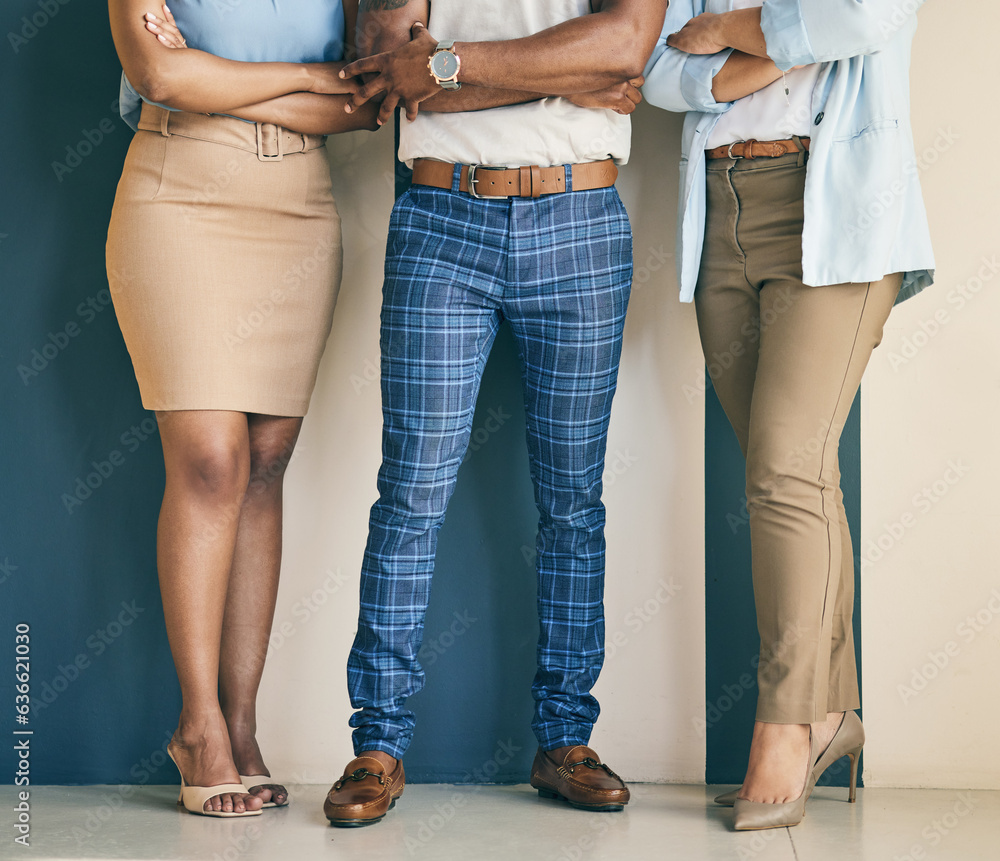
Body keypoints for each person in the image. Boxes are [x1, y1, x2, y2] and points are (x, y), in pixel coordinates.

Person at [320, 0, 666, 827]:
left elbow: (624, 46)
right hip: (441, 221)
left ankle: (564, 737)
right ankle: (378, 743)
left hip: (581, 217)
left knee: (574, 503)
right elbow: (384, 72)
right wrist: (563, 74)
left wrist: (448, 68)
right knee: (411, 492)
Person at [642, 0, 934, 830]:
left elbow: (867, 18)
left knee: (780, 469)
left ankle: (781, 725)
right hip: (723, 207)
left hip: (836, 206)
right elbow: (659, 73)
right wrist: (772, 49)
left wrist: (730, 31)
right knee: (799, 476)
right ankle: (832, 713)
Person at [106, 0, 377, 817]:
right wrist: (305, 77)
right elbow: (158, 74)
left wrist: (212, 80)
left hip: (300, 201)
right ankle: (197, 726)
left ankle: (242, 723)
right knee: (211, 459)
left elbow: (365, 100)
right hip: (180, 190)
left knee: (265, 463)